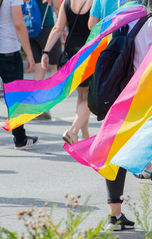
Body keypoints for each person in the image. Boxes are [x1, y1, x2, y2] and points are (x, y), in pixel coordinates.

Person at [88, 0, 152, 231]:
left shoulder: (123, 18)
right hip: (148, 98)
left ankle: (115, 216)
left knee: (116, 153)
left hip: (120, 96)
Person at [41, 0, 92, 143]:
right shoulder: (94, 3)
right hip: (87, 54)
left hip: (70, 55)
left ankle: (85, 137)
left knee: (81, 96)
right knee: (88, 98)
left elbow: (58, 28)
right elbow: (94, 27)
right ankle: (73, 131)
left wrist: (46, 51)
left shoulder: (67, 3)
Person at [0, 0, 38, 150]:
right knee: (15, 98)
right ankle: (20, 138)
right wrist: (29, 53)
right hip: (8, 51)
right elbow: (19, 24)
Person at [30, 0, 62, 120]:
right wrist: (62, 29)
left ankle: (34, 107)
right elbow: (58, 7)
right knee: (54, 67)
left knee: (39, 69)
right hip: (47, 27)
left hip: (31, 27)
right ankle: (44, 106)